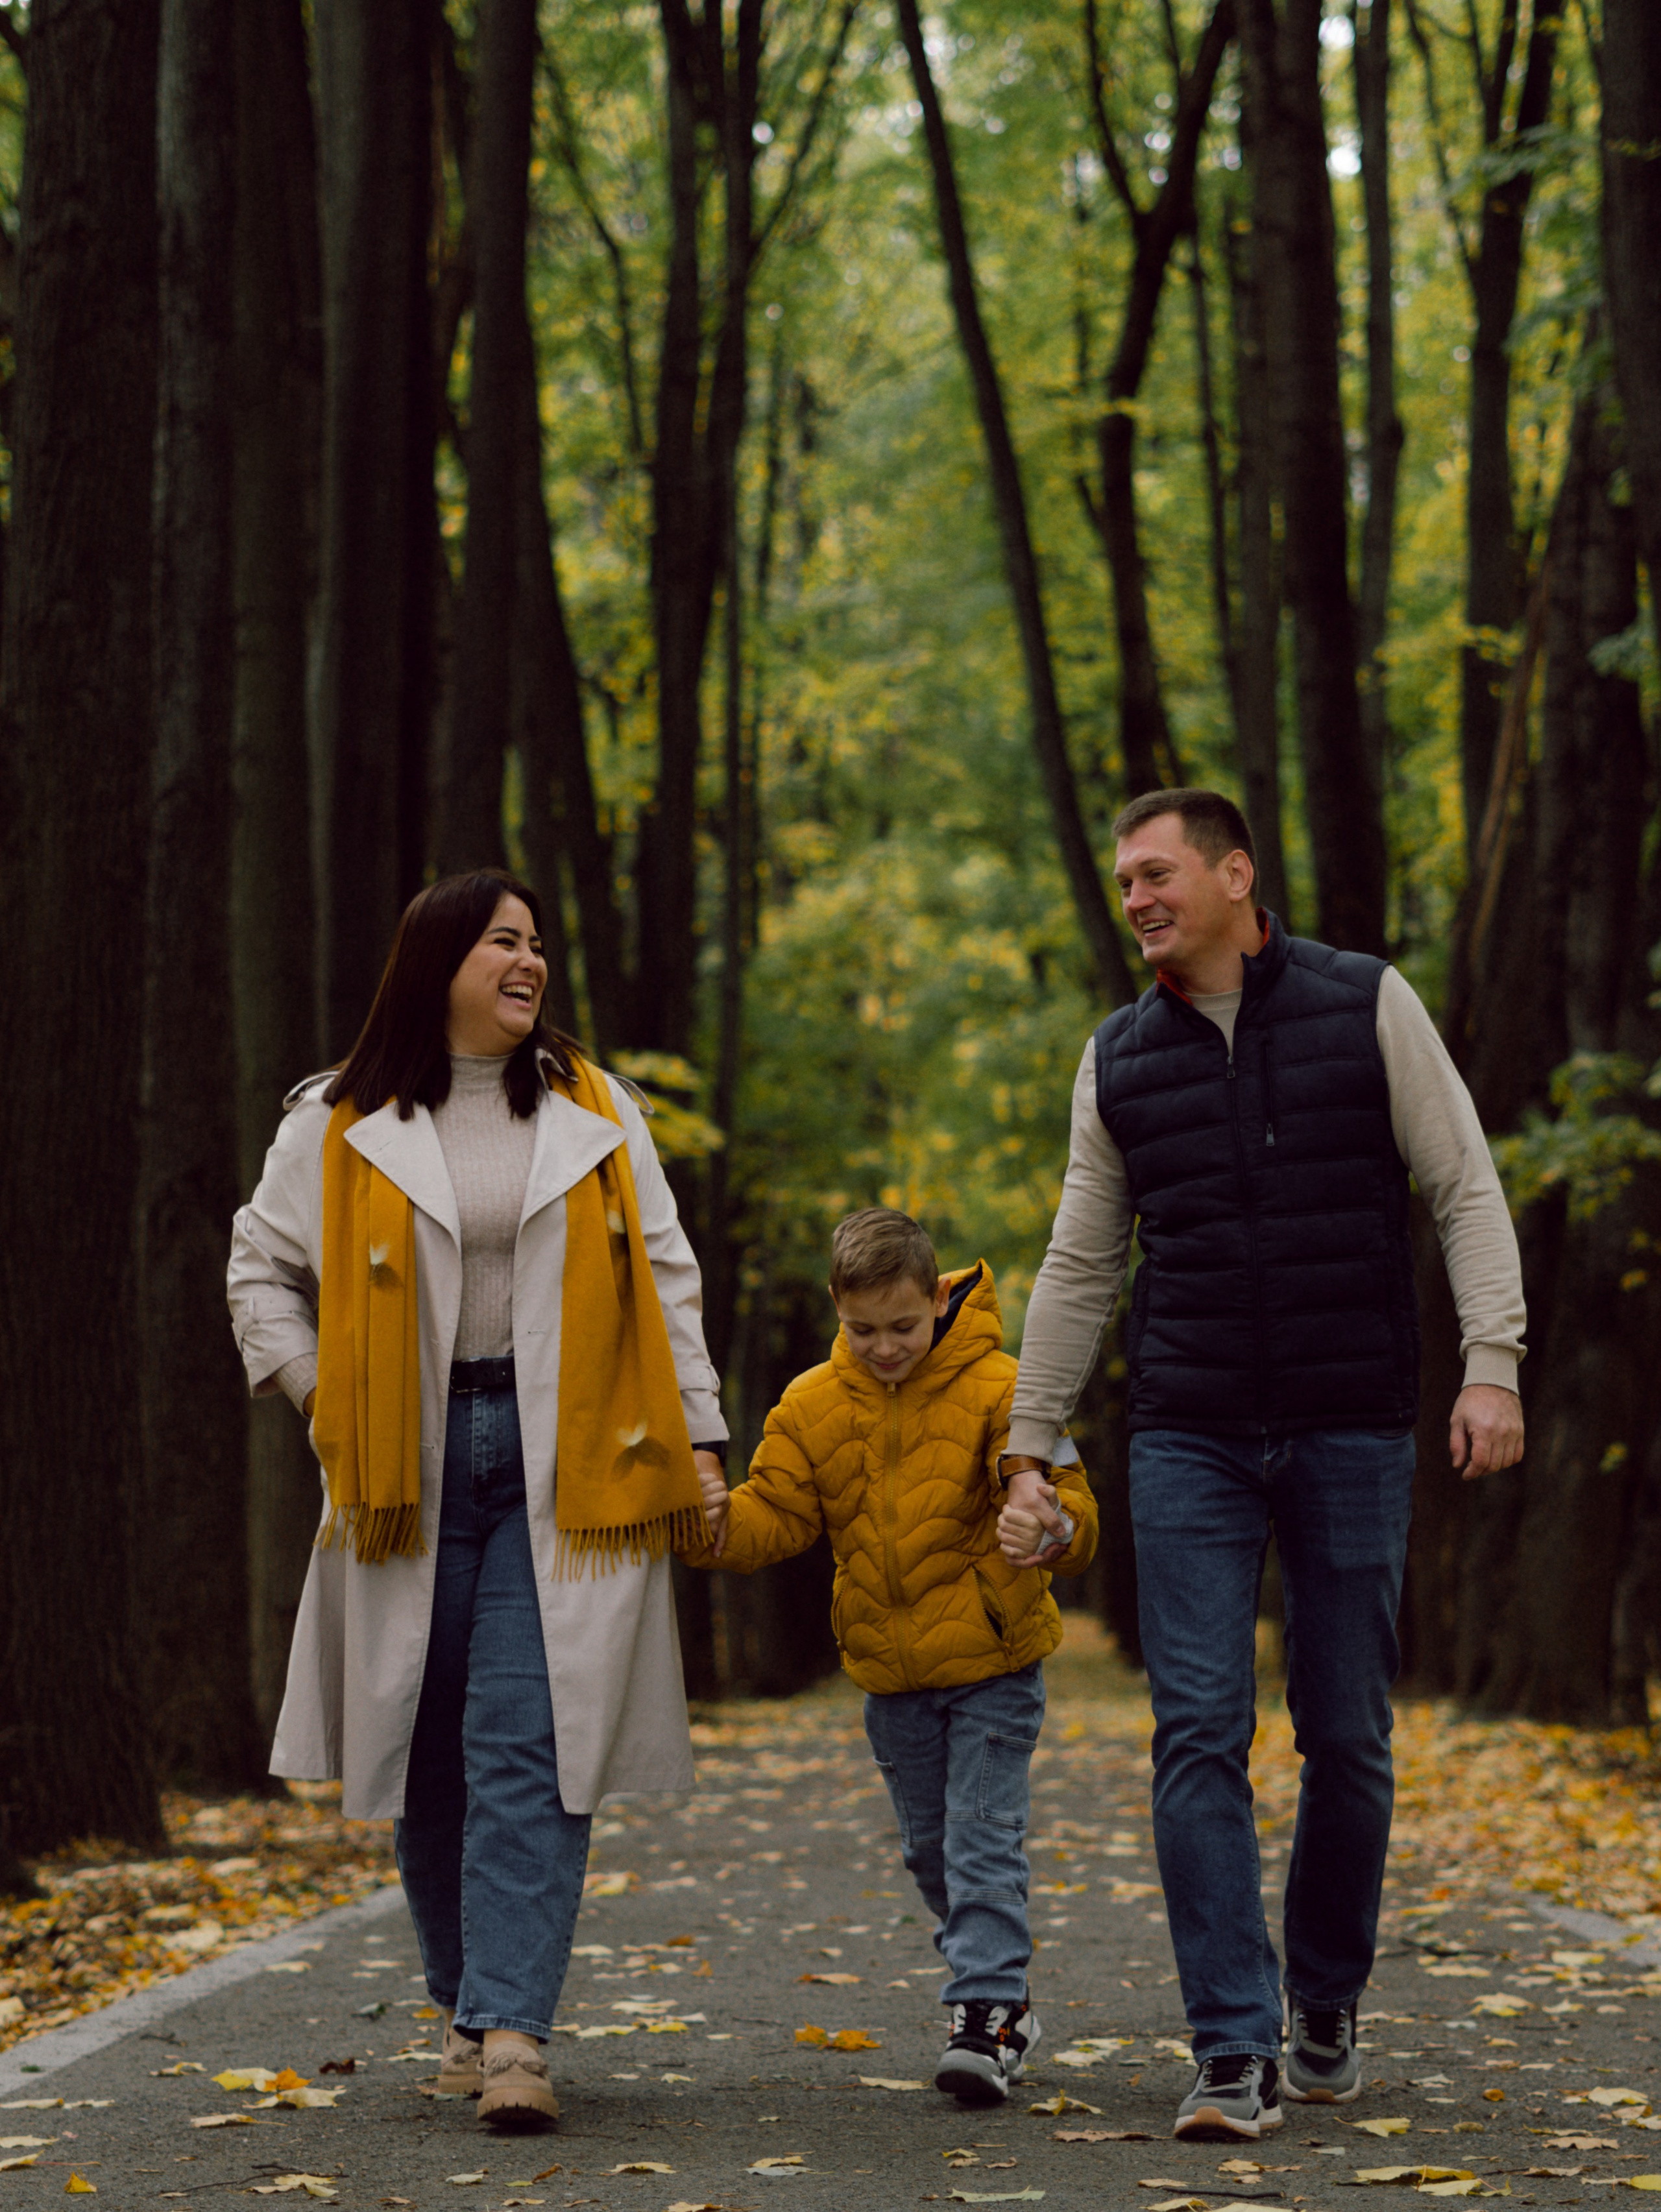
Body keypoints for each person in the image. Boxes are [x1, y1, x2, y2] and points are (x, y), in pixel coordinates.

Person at [1000, 790, 1526, 2143]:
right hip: (1186, 1431)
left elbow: (1460, 1183)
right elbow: (1076, 1261)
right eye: (1121, 882)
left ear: (1235, 872)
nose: (1135, 899)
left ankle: (1324, 2000)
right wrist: (1027, 1440)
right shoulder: (1116, 1058)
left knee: (1345, 1732)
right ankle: (1229, 2046)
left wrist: (1491, 1360)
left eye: (1156, 873)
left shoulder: (1363, 1003)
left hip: (1352, 1417)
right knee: (1195, 1733)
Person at [226, 869, 727, 2134]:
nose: (530, 961)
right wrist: (313, 1395)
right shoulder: (336, 1122)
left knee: (531, 1738)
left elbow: (666, 1273)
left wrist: (704, 1441)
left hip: (572, 1462)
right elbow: (259, 1268)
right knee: (427, 1738)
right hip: (405, 1463)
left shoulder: (593, 1107)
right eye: (504, 940)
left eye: (538, 943)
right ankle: (465, 2001)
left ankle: (513, 2035)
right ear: (438, 959)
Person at [687, 1207, 1098, 2106]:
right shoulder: (810, 1406)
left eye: (903, 1327)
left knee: (983, 1838)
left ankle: (982, 2014)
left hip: (994, 1662)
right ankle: (1006, 1996)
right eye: (861, 1328)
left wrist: (1052, 1527)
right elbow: (778, 1516)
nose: (883, 1347)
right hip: (890, 1674)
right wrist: (710, 1523)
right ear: (838, 1308)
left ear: (939, 1294)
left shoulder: (1005, 1389)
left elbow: (1068, 1497)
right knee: (931, 1851)